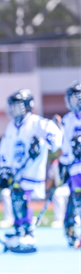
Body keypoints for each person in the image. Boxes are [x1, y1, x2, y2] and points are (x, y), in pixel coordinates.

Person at [0, 90, 62, 251]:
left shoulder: (37, 122)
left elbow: (55, 139)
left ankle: (29, 233)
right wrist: (4, 169)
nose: (12, 109)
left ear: (27, 106)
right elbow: (4, 149)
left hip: (31, 171)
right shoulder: (11, 126)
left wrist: (42, 142)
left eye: (16, 105)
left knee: (21, 200)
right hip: (16, 172)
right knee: (15, 199)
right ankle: (20, 230)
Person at [59, 81, 81, 246]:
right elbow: (64, 145)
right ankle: (71, 232)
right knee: (76, 200)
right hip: (74, 168)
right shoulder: (68, 120)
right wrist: (64, 164)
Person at [46, 157, 69, 229]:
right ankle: (61, 219)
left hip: (65, 188)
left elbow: (51, 178)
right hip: (63, 188)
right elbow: (51, 177)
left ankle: (60, 219)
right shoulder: (55, 163)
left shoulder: (55, 162)